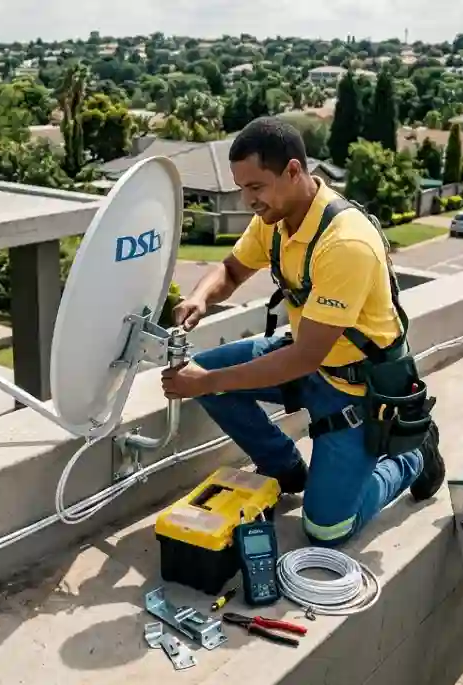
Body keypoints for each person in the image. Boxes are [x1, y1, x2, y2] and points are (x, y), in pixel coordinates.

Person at [161, 116, 444, 548]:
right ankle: (285, 468)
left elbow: (304, 356)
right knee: (208, 377)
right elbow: (232, 270)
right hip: (311, 359)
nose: (247, 199)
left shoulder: (344, 243)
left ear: (294, 171)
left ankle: (412, 456)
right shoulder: (276, 216)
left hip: (356, 386)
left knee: (327, 530)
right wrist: (202, 297)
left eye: (256, 186)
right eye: (242, 187)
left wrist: (208, 381)